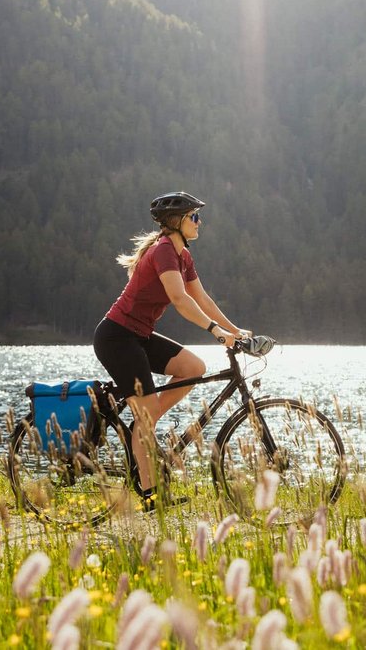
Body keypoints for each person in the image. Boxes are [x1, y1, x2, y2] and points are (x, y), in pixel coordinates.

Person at [93, 191, 250, 507]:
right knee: (146, 417)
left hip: (139, 335)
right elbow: (180, 299)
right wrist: (215, 332)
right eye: (194, 217)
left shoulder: (182, 256)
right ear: (176, 222)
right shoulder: (164, 251)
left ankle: (145, 425)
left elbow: (202, 298)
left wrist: (234, 331)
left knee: (193, 368)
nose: (199, 222)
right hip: (117, 337)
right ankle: (151, 495)